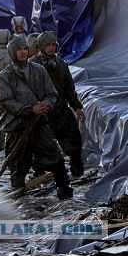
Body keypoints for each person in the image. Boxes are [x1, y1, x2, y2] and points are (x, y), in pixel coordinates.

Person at [0, 35, 73, 200]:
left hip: (38, 125)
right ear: (12, 51)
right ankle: (20, 201)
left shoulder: (39, 70)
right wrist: (30, 109)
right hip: (17, 127)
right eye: (19, 49)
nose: (23, 52)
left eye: (25, 48)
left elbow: (52, 93)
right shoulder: (5, 75)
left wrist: (47, 105)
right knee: (18, 166)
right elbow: (6, 101)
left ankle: (65, 191)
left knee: (55, 157)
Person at [29, 31, 85, 177]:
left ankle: (76, 171)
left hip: (61, 109)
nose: (51, 48)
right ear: (41, 46)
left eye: (53, 44)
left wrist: (77, 107)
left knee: (74, 142)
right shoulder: (32, 65)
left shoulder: (61, 64)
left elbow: (69, 89)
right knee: (42, 146)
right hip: (43, 112)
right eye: (48, 45)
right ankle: (40, 174)